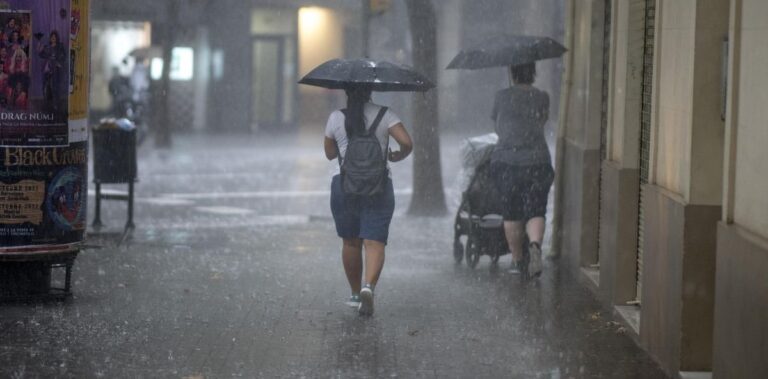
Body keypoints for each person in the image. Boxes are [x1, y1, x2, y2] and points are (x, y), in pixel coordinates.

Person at [323, 86, 413, 316]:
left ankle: (355, 294)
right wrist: (396, 155)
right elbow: (407, 143)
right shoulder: (386, 114)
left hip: (344, 186)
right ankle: (368, 287)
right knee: (374, 242)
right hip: (379, 186)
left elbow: (330, 153)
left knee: (351, 242)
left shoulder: (336, 117)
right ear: (370, 91)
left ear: (348, 92)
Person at [490, 62, 554, 277]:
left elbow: (497, 128)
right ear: (532, 73)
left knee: (512, 212)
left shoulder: (501, 96)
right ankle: (535, 245)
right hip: (538, 161)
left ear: (513, 73)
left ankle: (517, 261)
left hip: (508, 162)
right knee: (536, 209)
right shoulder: (542, 96)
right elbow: (542, 122)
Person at [37, 30, 66, 103]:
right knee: (45, 85)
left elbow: (64, 56)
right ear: (50, 38)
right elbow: (41, 55)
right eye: (52, 37)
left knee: (55, 85)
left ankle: (56, 102)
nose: (53, 38)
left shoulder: (60, 46)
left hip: (56, 68)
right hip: (47, 68)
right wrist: (40, 50)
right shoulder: (47, 47)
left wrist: (58, 62)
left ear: (57, 38)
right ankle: (46, 101)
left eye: (54, 37)